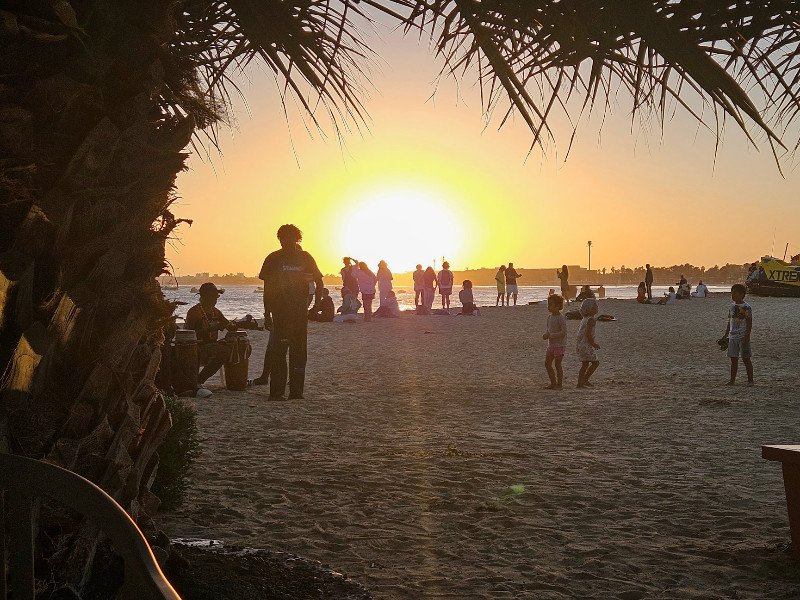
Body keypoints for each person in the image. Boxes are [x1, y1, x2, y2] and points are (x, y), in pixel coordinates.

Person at [258, 224, 323, 400]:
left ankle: (296, 392)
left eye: (290, 237)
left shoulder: (305, 257)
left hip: (300, 313)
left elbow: (319, 281)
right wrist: (266, 314)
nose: (286, 241)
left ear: (297, 239)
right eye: (283, 238)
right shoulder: (273, 258)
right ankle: (277, 392)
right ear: (279, 239)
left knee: (299, 352)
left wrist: (316, 305)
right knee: (279, 352)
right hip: (280, 314)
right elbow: (268, 288)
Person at [185, 282, 238, 395]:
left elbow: (229, 326)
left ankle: (235, 381)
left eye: (216, 297)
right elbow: (189, 335)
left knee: (233, 347)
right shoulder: (194, 312)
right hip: (197, 347)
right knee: (223, 352)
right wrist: (210, 329)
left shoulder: (216, 312)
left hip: (212, 345)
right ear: (204, 297)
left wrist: (238, 325)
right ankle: (199, 380)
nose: (216, 300)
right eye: (213, 297)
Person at [723, 283, 753, 385]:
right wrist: (726, 335)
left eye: (735, 293)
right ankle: (732, 380)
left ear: (742, 294)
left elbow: (749, 322)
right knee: (733, 360)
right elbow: (729, 322)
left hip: (742, 336)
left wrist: (747, 336)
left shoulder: (746, 307)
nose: (732, 295)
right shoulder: (732, 307)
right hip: (732, 337)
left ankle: (750, 380)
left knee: (746, 359)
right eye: (732, 293)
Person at [543, 294, 566, 389]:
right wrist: (546, 335)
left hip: (559, 345)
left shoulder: (561, 318)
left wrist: (551, 335)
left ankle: (559, 384)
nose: (549, 307)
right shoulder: (549, 317)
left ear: (558, 306)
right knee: (547, 364)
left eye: (551, 305)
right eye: (548, 304)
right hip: (551, 345)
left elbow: (563, 332)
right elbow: (549, 329)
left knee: (557, 365)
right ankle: (553, 383)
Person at [576, 298, 601, 388]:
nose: (597, 307)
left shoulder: (585, 319)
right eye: (595, 306)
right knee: (595, 363)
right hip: (586, 344)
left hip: (581, 344)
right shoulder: (591, 320)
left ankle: (581, 382)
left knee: (585, 364)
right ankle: (583, 381)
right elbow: (588, 334)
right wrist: (594, 344)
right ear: (590, 308)